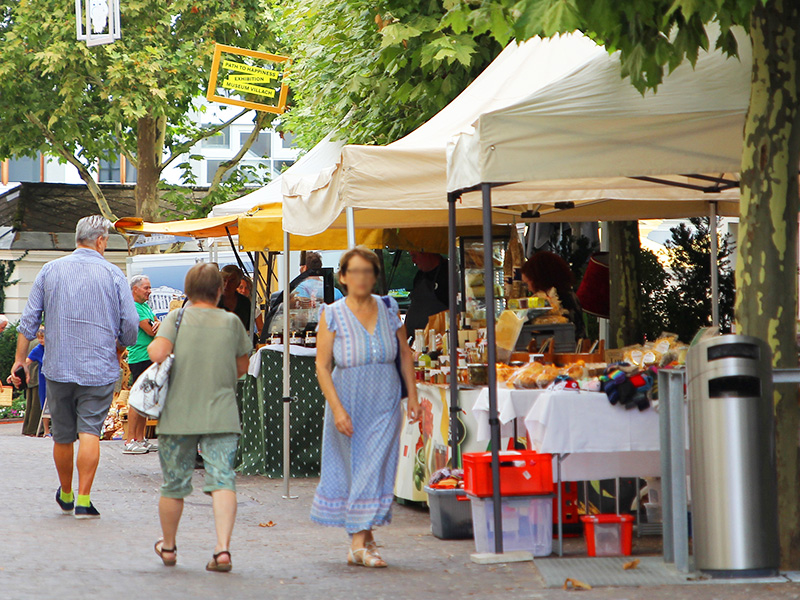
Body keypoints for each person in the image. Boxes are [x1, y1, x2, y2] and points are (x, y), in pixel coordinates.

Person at [11, 215, 140, 519]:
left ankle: (65, 492)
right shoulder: (113, 274)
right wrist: (120, 347)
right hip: (99, 369)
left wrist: (20, 360)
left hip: (58, 368)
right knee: (90, 433)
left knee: (63, 435)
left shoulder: (50, 270)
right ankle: (84, 498)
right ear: (100, 241)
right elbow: (131, 325)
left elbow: (28, 322)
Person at [311, 246, 420, 568]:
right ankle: (365, 542)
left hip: (385, 400)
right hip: (347, 400)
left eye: (368, 272)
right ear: (343, 276)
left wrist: (412, 395)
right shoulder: (331, 314)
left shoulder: (388, 308)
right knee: (357, 470)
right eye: (355, 272)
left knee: (375, 466)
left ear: (375, 276)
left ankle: (358, 544)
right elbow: (321, 366)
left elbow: (404, 353)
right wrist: (338, 409)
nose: (361, 278)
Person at [148, 263, 251, 572]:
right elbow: (243, 366)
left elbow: (157, 353)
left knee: (174, 484)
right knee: (223, 480)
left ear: (188, 291)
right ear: (220, 290)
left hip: (179, 414)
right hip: (221, 412)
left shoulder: (176, 319)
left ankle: (168, 547)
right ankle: (222, 550)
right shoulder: (232, 321)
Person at [124, 274, 159, 455]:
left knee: (146, 397)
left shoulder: (145, 306)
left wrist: (157, 324)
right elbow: (151, 329)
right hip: (140, 357)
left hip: (149, 356)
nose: (149, 291)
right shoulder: (135, 307)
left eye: (149, 287)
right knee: (137, 398)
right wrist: (156, 325)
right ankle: (130, 439)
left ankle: (141, 438)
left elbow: (156, 324)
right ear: (135, 289)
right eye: (146, 288)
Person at [521, 250, 587, 340]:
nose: (528, 289)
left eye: (527, 283)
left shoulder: (556, 299)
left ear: (538, 279)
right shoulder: (569, 295)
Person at [404, 251, 449, 342]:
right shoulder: (419, 275)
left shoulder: (448, 273)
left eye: (414, 255)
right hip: (416, 341)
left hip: (437, 341)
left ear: (426, 252)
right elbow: (415, 305)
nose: (413, 260)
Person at [20, 329, 44, 437]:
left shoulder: (28, 341)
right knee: (37, 404)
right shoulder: (37, 345)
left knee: (31, 404)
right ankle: (35, 429)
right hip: (37, 377)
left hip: (31, 376)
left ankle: (28, 428)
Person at [27, 327, 51, 437]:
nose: (41, 341)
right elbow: (27, 362)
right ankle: (46, 431)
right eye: (39, 339)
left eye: (43, 338)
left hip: (55, 379)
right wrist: (15, 374)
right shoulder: (38, 349)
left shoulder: (54, 348)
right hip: (43, 380)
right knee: (44, 404)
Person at [218, 265, 251, 329]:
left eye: (231, 281)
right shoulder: (212, 302)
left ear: (238, 283)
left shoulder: (245, 302)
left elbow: (248, 328)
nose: (227, 285)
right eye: (224, 280)